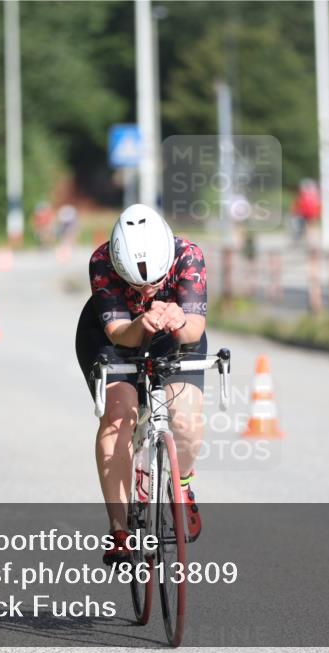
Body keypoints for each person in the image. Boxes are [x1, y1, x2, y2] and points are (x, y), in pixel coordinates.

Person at [75, 203, 208, 564]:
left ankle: (183, 484)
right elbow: (119, 333)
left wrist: (177, 319)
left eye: (155, 283)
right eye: (137, 284)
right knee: (118, 416)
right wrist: (144, 320)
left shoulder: (188, 256)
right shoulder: (102, 260)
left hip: (175, 333)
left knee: (185, 420)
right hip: (113, 335)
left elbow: (194, 330)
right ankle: (119, 530)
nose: (147, 290)